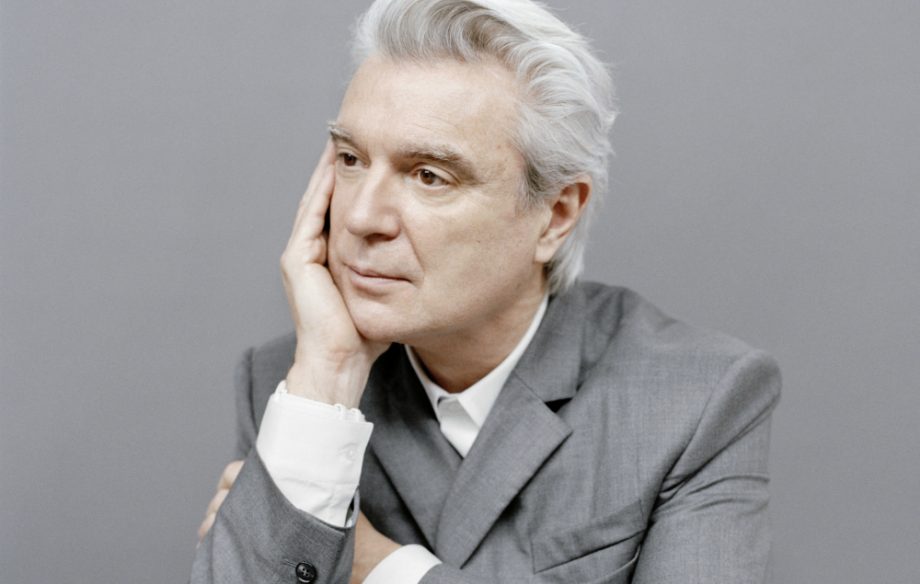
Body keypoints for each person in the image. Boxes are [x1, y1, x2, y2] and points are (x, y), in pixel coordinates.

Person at [191, 1, 781, 582]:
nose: (363, 217)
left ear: (555, 216)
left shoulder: (696, 397)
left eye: (429, 175)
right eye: (351, 158)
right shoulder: (298, 388)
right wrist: (330, 372)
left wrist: (379, 567)